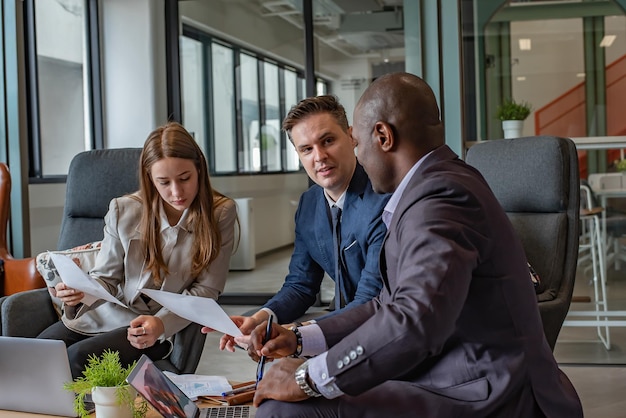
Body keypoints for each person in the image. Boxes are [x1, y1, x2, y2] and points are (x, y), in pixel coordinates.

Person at [244, 73, 584, 417]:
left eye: (356, 144)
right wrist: (302, 339)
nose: (358, 158)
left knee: (284, 411)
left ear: (383, 136)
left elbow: (414, 319)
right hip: (448, 370)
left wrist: (308, 378)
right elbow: (386, 305)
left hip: (487, 390)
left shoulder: (441, 198)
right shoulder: (432, 187)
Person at [38, 121, 237, 379]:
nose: (176, 192)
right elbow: (106, 279)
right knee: (38, 351)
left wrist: (162, 324)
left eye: (185, 178)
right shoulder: (124, 210)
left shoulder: (220, 212)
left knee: (76, 361)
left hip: (155, 326)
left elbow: (207, 290)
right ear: (149, 178)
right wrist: (81, 291)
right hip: (109, 313)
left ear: (199, 168)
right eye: (164, 182)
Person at [215, 95, 390, 352]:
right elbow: (301, 285)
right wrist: (260, 319)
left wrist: (296, 333)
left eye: (328, 141)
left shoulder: (382, 200)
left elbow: (370, 300)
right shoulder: (309, 204)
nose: (319, 156)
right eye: (306, 149)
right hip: (343, 326)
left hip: (384, 331)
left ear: (351, 136)